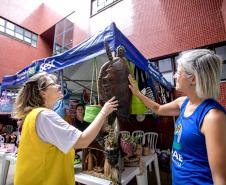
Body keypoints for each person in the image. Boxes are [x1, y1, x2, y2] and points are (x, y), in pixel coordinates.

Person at [128, 49, 226, 185]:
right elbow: (158, 109)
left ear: (193, 79)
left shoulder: (212, 117)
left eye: (179, 72)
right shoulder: (183, 102)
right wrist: (138, 94)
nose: (174, 76)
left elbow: (220, 178)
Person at [12, 72, 118, 185]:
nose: (58, 86)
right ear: (42, 93)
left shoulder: (34, 115)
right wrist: (103, 112)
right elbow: (83, 141)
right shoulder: (44, 116)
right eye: (53, 84)